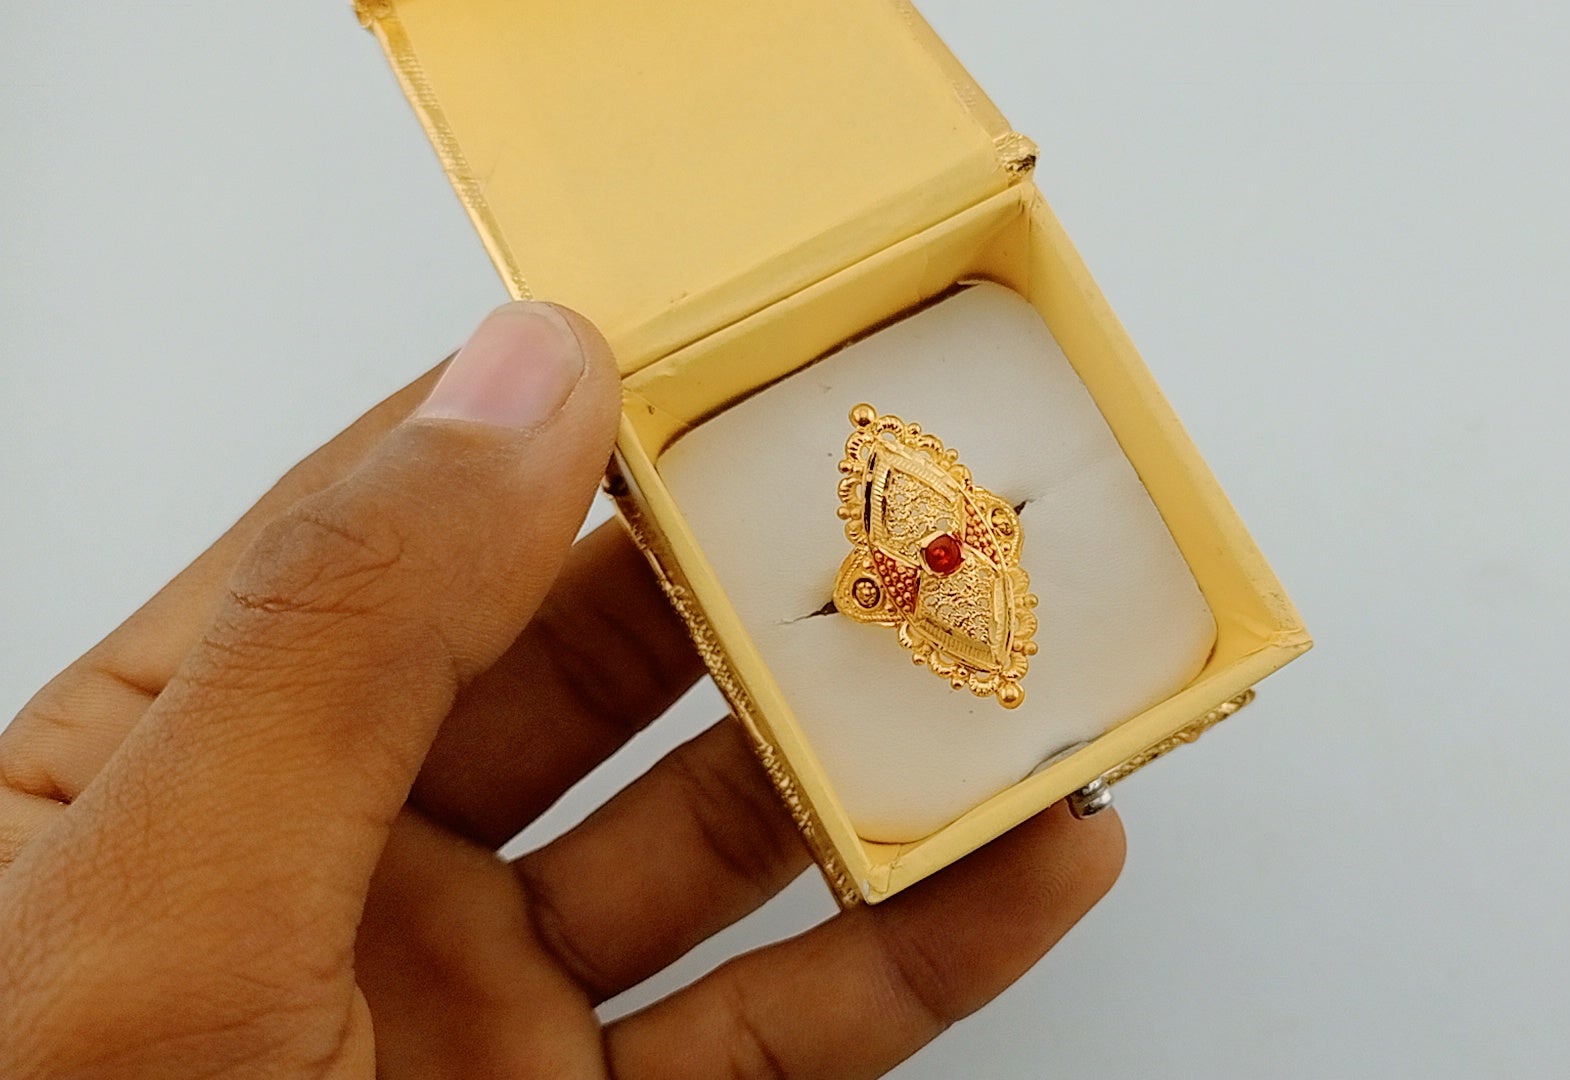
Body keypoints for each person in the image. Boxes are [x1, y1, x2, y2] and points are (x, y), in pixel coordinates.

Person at [0, 303, 1125, 1078]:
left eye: (881, 589)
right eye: (877, 583)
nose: (888, 583)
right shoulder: (913, 531)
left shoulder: (955, 586)